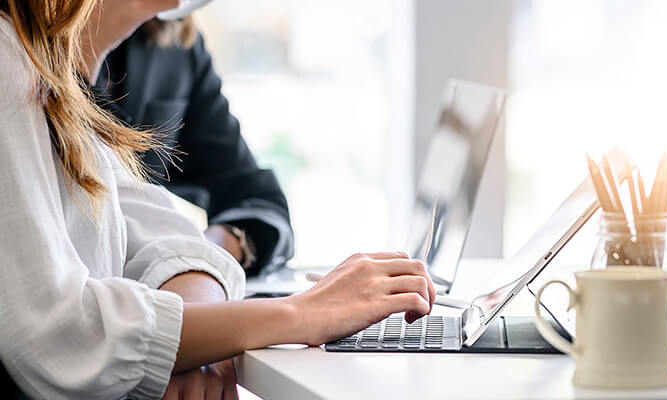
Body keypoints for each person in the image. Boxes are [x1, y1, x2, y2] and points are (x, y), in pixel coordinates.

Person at [0, 1, 436, 399]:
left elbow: (164, 237)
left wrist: (198, 341)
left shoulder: (49, 76)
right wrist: (299, 314)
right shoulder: (10, 65)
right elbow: (58, 334)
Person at [81, 0, 292, 279]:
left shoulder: (176, 46)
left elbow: (255, 197)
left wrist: (200, 254)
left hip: (153, 300)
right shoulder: (19, 42)